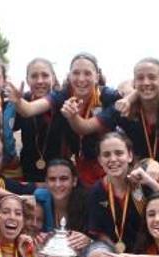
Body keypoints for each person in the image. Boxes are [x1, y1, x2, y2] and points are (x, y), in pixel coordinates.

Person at [7, 53, 123, 187]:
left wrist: (72, 116)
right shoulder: (63, 95)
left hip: (109, 167)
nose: (81, 79)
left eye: (87, 73)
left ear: (97, 77)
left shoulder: (109, 97)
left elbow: (84, 128)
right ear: (69, 76)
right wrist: (18, 102)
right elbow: (28, 110)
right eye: (76, 73)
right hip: (79, 170)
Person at [87, 133, 159, 252]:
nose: (113, 159)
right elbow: (98, 232)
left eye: (119, 153)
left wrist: (150, 182)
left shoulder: (143, 182)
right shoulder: (97, 191)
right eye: (106, 155)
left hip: (150, 254)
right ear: (100, 160)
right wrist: (116, 254)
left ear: (129, 156)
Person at [13, 57, 61, 182]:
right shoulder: (20, 101)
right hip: (27, 171)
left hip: (58, 175)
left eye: (45, 75)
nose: (40, 81)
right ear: (27, 80)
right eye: (34, 76)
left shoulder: (62, 101)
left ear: (53, 78)